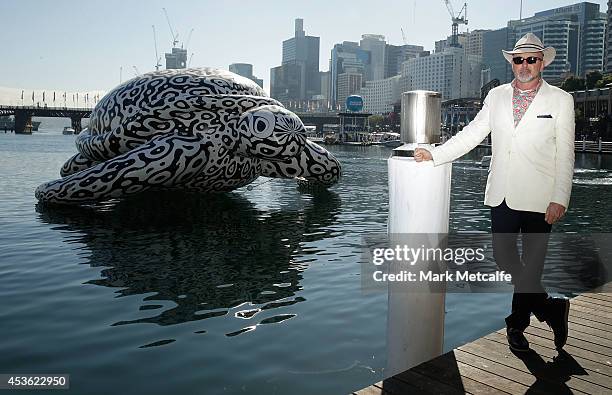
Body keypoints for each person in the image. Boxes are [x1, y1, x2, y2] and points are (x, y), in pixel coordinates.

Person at [414, 33, 575, 352]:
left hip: (542, 197)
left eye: (531, 59)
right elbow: (473, 133)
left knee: (531, 265)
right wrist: (437, 154)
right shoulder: (497, 96)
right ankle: (550, 308)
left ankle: (516, 327)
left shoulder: (560, 100)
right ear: (512, 63)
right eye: (519, 59)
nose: (525, 65)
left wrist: (560, 197)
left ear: (542, 62)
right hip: (501, 193)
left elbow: (566, 153)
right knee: (504, 258)